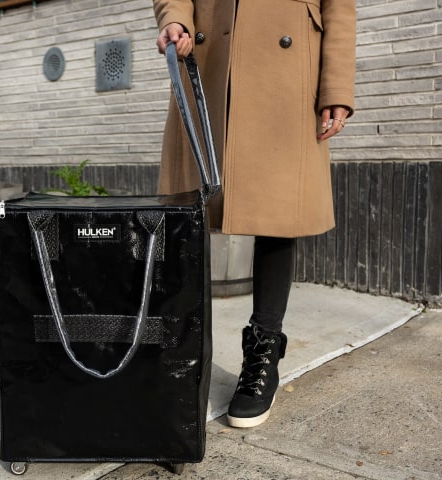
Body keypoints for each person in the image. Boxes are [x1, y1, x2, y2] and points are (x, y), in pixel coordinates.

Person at [152, 0, 356, 428]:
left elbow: (339, 7)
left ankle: (263, 348)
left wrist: (336, 86)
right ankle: (183, 353)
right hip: (208, 55)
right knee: (189, 214)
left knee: (278, 211)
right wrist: (174, 17)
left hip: (286, 60)